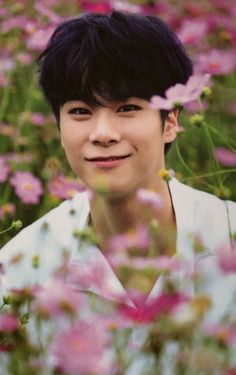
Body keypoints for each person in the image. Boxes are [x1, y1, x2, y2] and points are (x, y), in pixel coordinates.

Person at [0, 11, 235, 322]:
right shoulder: (21, 270)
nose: (103, 134)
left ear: (171, 122)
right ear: (59, 127)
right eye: (81, 111)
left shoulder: (227, 236)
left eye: (127, 108)